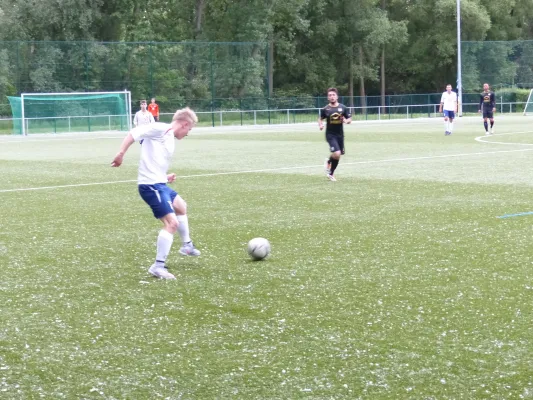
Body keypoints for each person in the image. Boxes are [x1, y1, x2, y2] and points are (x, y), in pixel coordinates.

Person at [111, 107, 201, 280]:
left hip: (159, 182)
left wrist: (164, 177)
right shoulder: (161, 129)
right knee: (172, 223)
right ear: (184, 124)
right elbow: (134, 133)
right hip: (150, 186)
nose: (188, 133)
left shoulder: (168, 136)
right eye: (189, 129)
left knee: (181, 207)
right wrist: (121, 153)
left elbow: (153, 159)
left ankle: (187, 246)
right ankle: (158, 266)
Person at [318, 88, 352, 182]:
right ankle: (331, 173)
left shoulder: (343, 108)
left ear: (337, 96)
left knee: (338, 155)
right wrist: (320, 125)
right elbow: (320, 118)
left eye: (333, 95)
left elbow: (349, 119)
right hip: (330, 135)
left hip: (340, 135)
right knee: (337, 153)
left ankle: (329, 164)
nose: (332, 97)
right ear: (328, 98)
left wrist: (346, 120)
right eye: (330, 95)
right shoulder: (325, 109)